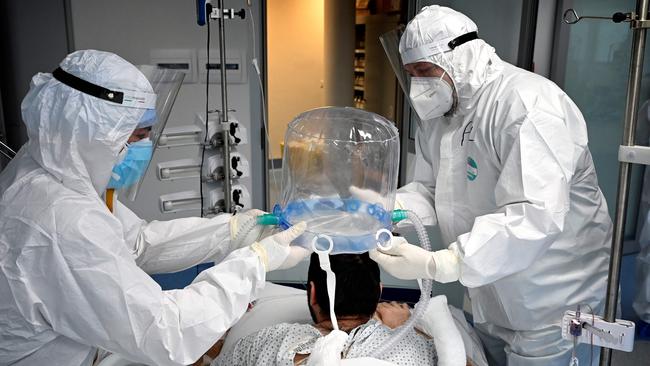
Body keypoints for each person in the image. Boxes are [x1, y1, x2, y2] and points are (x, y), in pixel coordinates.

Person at [0, 49, 307, 366]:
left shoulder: (52, 170)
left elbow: (133, 243)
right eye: (138, 135)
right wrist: (253, 264)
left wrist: (230, 231)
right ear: (96, 135)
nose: (146, 147)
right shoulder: (62, 219)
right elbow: (167, 333)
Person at [368, 5, 612, 365]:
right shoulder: (441, 118)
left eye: (425, 70)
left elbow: (535, 216)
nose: (419, 85)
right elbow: (431, 192)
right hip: (490, 291)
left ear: (461, 55)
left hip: (551, 300)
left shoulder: (527, 104)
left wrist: (444, 263)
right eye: (410, 74)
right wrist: (379, 210)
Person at [213, 253, 437, 365]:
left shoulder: (266, 343)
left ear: (311, 293)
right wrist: (408, 327)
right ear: (379, 291)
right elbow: (456, 357)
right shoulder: (418, 349)